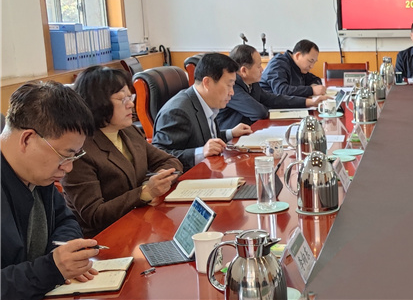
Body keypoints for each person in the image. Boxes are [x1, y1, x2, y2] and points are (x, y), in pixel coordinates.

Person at [1, 82, 100, 300]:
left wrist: (63, 254)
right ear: (27, 139)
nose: (68, 168)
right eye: (65, 155)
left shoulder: (37, 175)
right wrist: (51, 269)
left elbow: (66, 220)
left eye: (75, 156)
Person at [61, 66, 184, 237]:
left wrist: (158, 180)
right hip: (106, 237)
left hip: (140, 224)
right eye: (122, 99)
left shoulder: (128, 131)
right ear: (97, 103)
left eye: (130, 96)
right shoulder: (80, 149)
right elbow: (94, 214)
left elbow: (170, 161)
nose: (131, 104)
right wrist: (145, 192)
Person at [152, 53, 252, 172]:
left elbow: (204, 137)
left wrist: (230, 133)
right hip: (190, 178)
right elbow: (159, 157)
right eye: (228, 85)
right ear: (207, 83)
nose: (232, 92)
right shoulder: (177, 112)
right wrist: (201, 152)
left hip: (210, 171)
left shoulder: (206, 101)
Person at [218, 44, 329, 128]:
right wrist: (267, 107)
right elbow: (259, 112)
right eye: (259, 66)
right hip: (230, 141)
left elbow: (273, 99)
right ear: (244, 71)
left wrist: (310, 102)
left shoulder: (252, 83)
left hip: (250, 131)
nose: (262, 70)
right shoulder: (231, 86)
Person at [260, 40, 326, 97]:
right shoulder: (278, 64)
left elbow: (315, 79)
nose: (312, 66)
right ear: (298, 55)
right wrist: (311, 90)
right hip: (267, 106)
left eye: (314, 62)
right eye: (310, 61)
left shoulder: (299, 67)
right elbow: (281, 91)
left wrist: (314, 85)